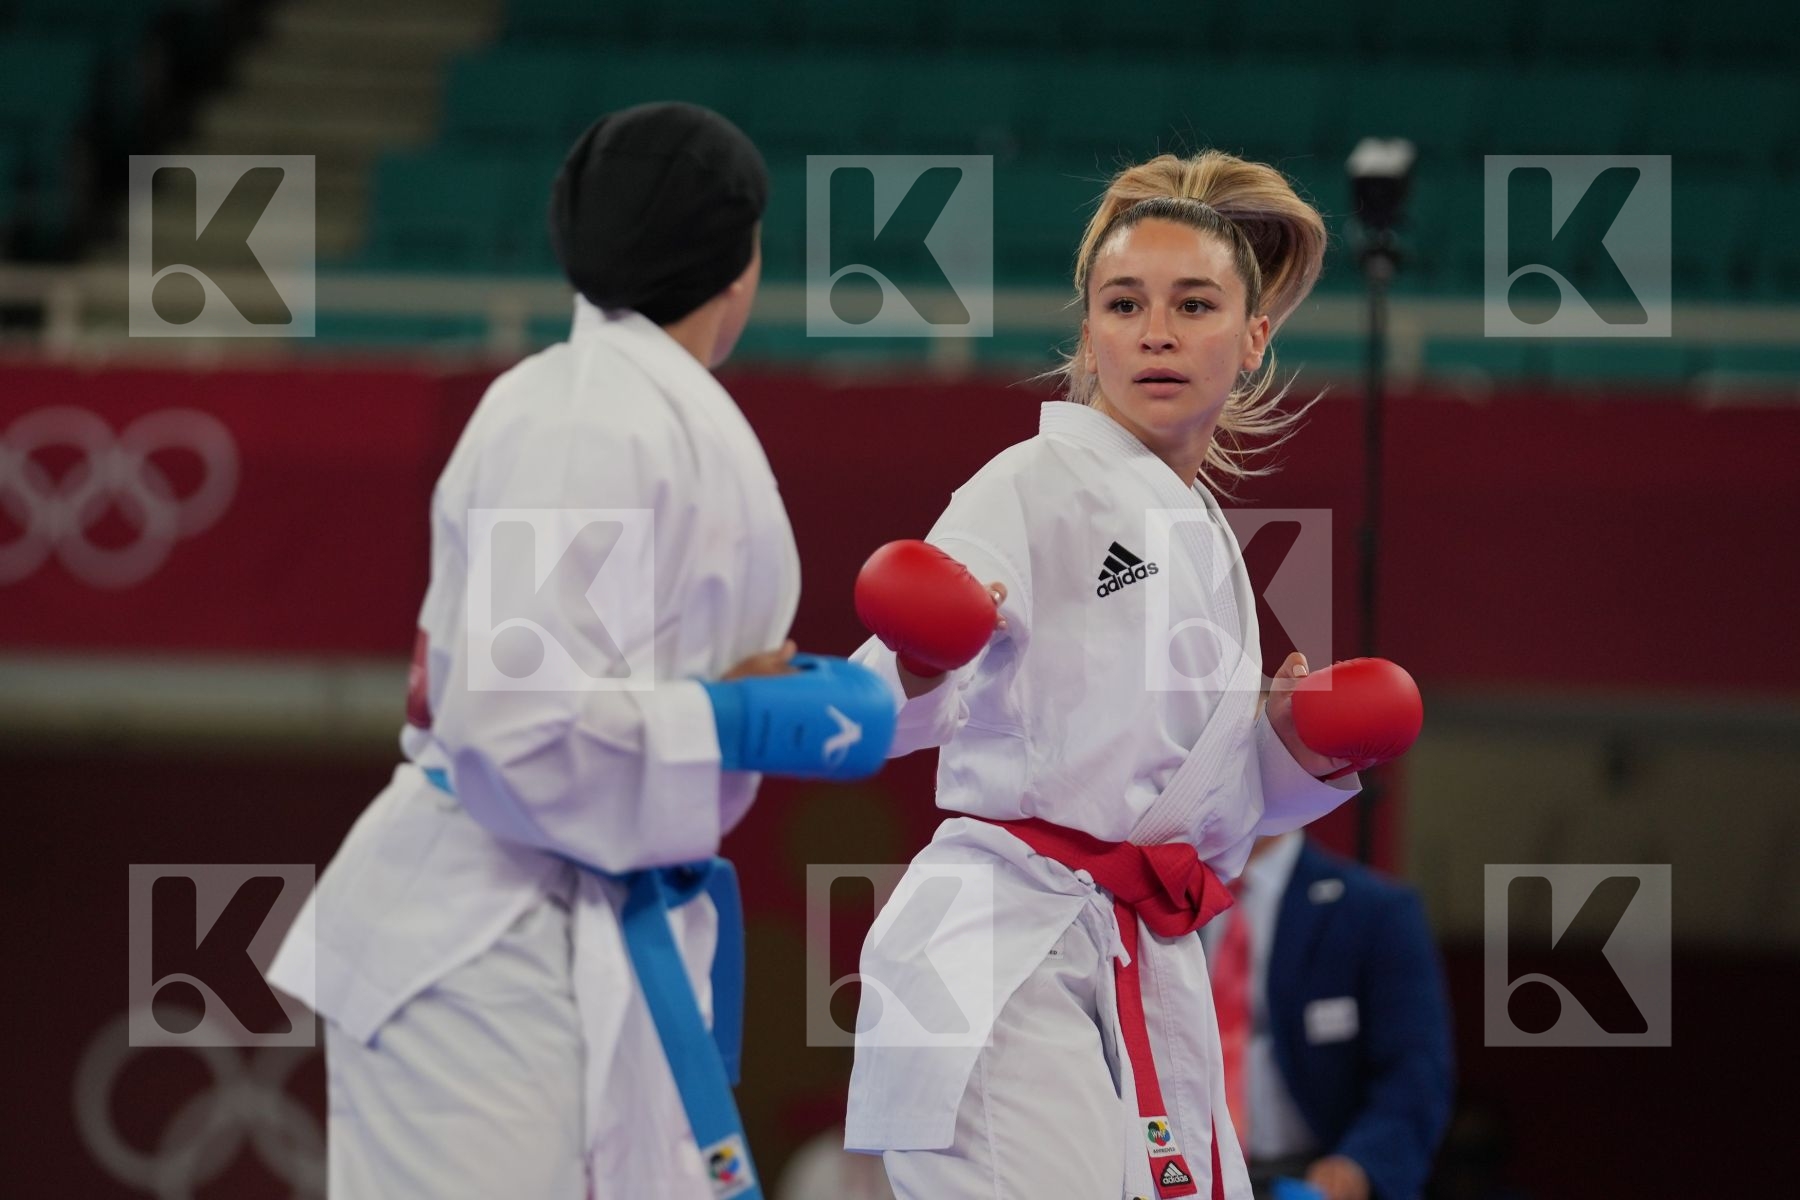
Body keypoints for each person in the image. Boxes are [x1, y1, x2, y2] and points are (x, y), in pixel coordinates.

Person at [266, 102, 891, 1200]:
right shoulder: (578, 416)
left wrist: (768, 702)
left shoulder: (637, 409)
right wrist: (730, 718)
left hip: (599, 923)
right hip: (477, 940)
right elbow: (514, 719)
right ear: (743, 262)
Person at [842, 150, 1383, 1200]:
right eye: (1124, 304)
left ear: (1254, 337)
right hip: (998, 941)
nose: (1157, 332)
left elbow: (1199, 815)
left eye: (1194, 305)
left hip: (1129, 946)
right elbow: (904, 693)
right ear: (1089, 334)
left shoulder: (1208, 540)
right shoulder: (1035, 479)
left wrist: (1294, 748)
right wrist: (919, 654)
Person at [1203, 832, 1454, 1200]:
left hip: (1311, 1178)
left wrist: (1362, 1163)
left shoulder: (1375, 909)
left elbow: (1416, 1069)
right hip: (1183, 1170)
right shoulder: (1157, 895)